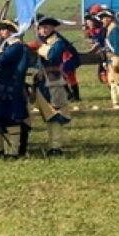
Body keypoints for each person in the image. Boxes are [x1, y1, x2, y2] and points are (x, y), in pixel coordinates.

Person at [33, 16, 75, 155]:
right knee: (49, 115)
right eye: (41, 27)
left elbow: (52, 55)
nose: (43, 30)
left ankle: (56, 147)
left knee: (56, 114)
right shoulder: (43, 41)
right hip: (42, 81)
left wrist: (39, 46)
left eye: (46, 27)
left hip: (54, 82)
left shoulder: (58, 42)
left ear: (52, 28)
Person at [0, 19, 31, 158]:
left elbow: (3, 59)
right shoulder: (5, 44)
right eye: (2, 29)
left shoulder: (16, 46)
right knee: (3, 119)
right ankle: (6, 149)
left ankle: (14, 151)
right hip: (3, 87)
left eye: (8, 29)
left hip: (12, 87)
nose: (5, 31)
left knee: (13, 119)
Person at [102, 10, 119, 110]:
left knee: (118, 82)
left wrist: (116, 60)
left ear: (109, 18)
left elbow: (117, 46)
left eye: (104, 18)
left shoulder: (114, 29)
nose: (103, 21)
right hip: (110, 58)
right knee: (112, 82)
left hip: (115, 58)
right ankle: (116, 102)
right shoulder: (110, 28)